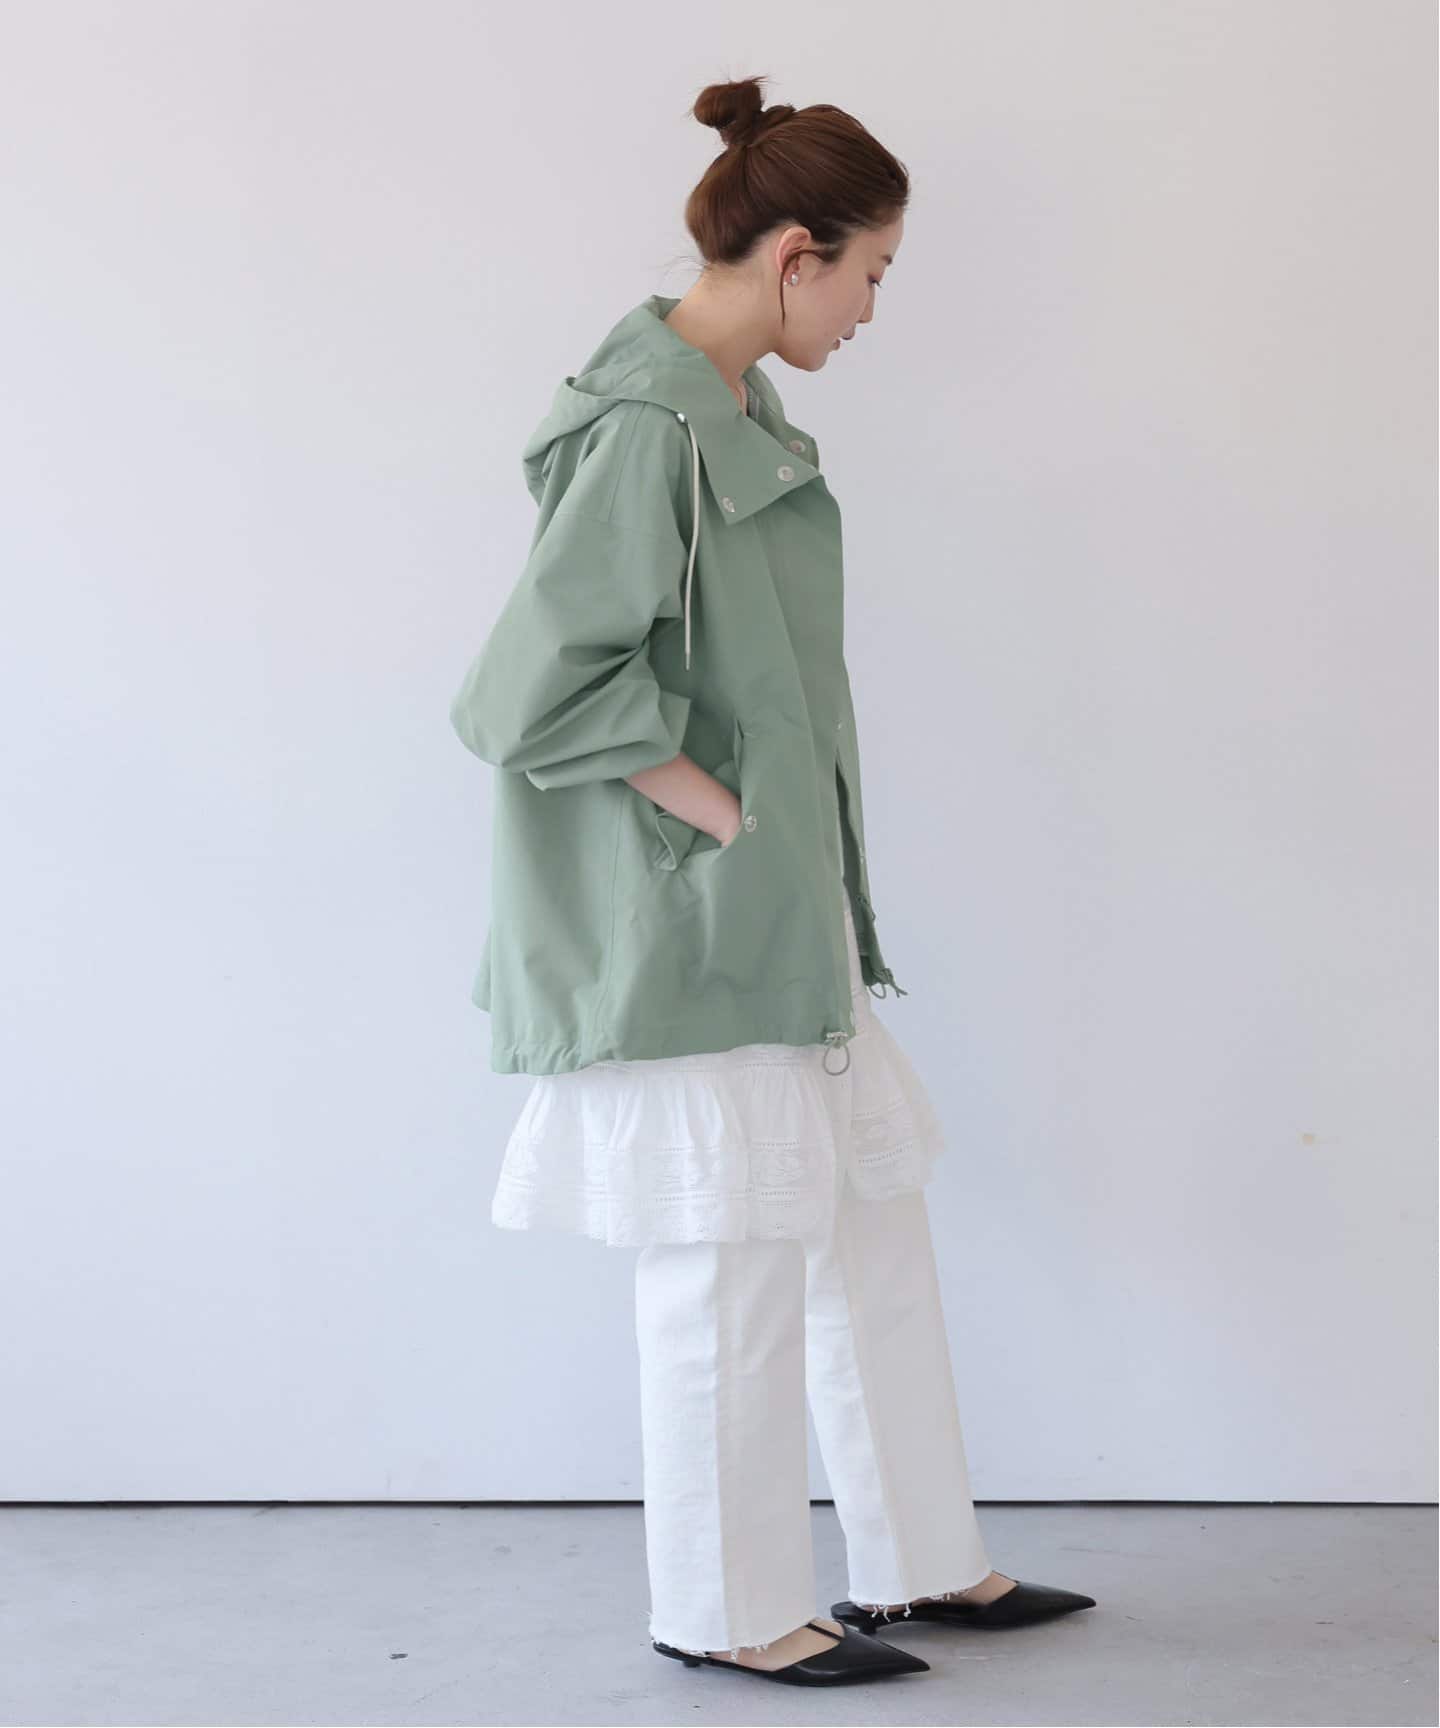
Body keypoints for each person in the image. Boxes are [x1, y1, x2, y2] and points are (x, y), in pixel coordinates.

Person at [448, 74, 1096, 1689]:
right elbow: (525, 696)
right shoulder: (647, 428)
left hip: (786, 914)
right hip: (698, 923)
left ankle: (921, 1560)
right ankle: (726, 1606)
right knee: (729, 1265)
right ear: (797, 253)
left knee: (866, 1222)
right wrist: (725, 818)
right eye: (870, 272)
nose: (873, 310)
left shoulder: (738, 413)